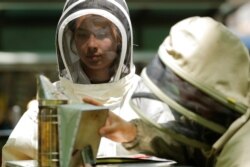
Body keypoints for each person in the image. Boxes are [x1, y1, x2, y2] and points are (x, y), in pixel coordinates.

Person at [2, 0, 174, 166]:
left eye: (101, 34)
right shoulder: (53, 98)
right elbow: (15, 160)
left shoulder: (145, 98)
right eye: (82, 35)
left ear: (120, 37)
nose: (91, 44)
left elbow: (174, 155)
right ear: (72, 40)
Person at [95, 16, 250, 167]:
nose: (182, 96)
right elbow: (190, 145)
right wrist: (131, 132)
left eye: (188, 89)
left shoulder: (243, 155)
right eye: (177, 86)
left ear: (212, 92)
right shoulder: (223, 123)